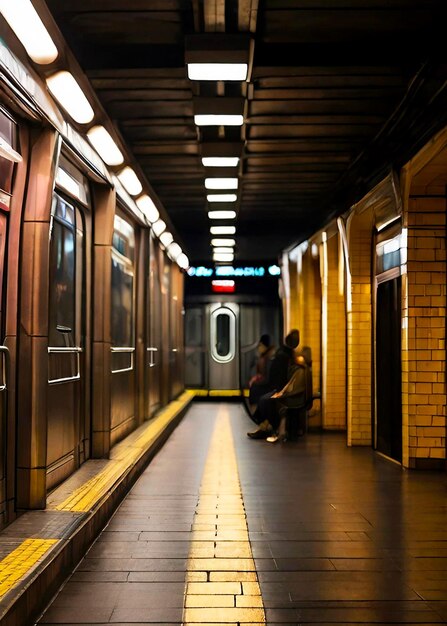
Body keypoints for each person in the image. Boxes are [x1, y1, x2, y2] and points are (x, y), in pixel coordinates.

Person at [247, 329, 300, 438]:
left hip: (280, 389)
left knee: (262, 398)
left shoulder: (281, 355)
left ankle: (265, 426)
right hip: (282, 387)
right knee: (262, 397)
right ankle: (265, 426)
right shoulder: (289, 355)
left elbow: (275, 378)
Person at [248, 334, 276, 406]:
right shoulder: (264, 357)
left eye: (261, 345)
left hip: (268, 386)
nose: (259, 347)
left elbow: (266, 378)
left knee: (254, 389)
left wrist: (255, 381)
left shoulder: (267, 359)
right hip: (266, 384)